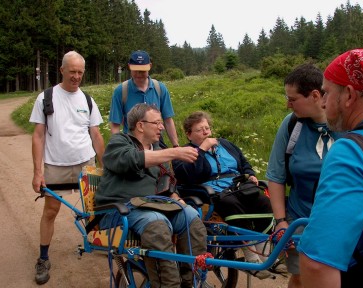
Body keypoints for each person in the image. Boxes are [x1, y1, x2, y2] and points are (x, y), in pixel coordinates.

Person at [297, 48, 363, 287]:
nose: (323, 103)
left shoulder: (352, 152)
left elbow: (318, 263)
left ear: (348, 95)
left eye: (326, 93)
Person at [95, 103, 207, 288]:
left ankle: (192, 282)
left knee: (191, 217)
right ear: (140, 125)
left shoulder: (158, 150)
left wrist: (177, 198)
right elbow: (133, 159)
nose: (162, 127)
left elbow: (166, 185)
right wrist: (174, 152)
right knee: (157, 223)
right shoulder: (119, 142)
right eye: (157, 123)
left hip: (150, 207)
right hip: (118, 211)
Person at [172, 111, 286, 280]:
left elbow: (244, 163)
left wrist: (250, 173)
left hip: (238, 186)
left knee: (262, 200)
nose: (205, 132)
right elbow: (189, 176)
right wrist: (202, 150)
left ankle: (266, 254)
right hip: (212, 191)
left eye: (207, 128)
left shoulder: (226, 144)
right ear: (189, 134)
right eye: (199, 130)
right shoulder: (184, 152)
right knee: (231, 203)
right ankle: (251, 256)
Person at [30, 51, 105, 285]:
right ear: (61, 70)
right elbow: (38, 136)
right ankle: (43, 258)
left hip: (86, 164)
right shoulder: (46, 98)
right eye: (72, 71)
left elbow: (96, 134)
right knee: (50, 212)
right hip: (56, 165)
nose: (76, 76)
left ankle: (98, 244)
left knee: (94, 209)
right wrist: (37, 172)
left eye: (80, 72)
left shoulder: (88, 100)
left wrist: (105, 166)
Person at [265, 63, 342, 288]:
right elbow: (276, 175)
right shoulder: (291, 126)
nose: (288, 104)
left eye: (293, 98)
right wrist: (281, 222)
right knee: (300, 279)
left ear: (315, 95)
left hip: (340, 220)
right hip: (300, 220)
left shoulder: (347, 126)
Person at [108, 50, 179, 148]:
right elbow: (115, 125)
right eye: (135, 70)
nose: (139, 74)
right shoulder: (120, 91)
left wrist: (176, 146)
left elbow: (168, 120)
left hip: (156, 142)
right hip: (131, 144)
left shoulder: (160, 88)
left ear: (150, 66)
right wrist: (117, 149)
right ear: (129, 67)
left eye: (142, 71)